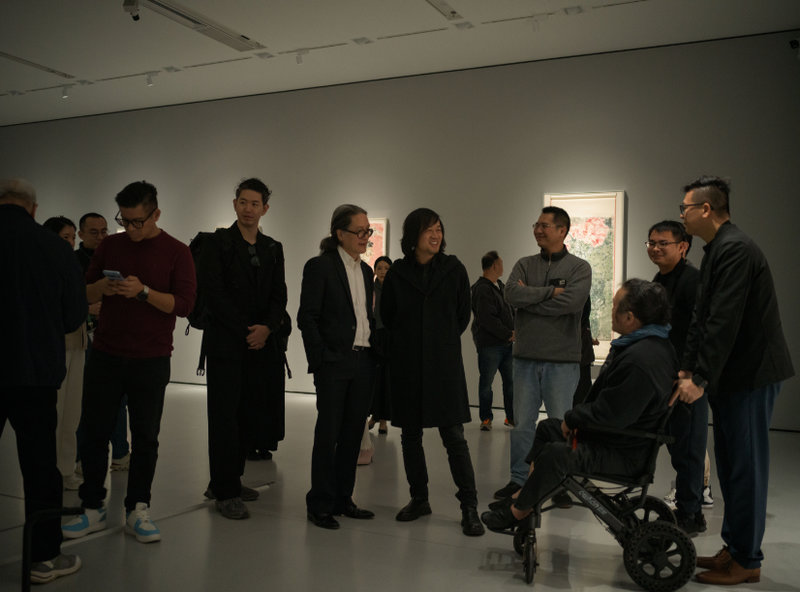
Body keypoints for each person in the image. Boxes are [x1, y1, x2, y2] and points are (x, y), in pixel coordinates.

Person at [673, 176, 794, 585]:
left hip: (750, 376)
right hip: (733, 377)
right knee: (730, 466)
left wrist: (701, 376)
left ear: (706, 209)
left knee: (746, 468)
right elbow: (702, 317)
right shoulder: (717, 249)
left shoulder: (736, 249)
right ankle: (736, 547)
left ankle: (748, 560)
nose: (682, 214)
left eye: (685, 208)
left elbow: (724, 320)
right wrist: (689, 368)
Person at [481, 279, 675, 530]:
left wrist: (573, 420)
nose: (611, 311)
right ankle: (524, 495)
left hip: (623, 453)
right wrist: (572, 421)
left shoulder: (640, 360)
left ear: (630, 317)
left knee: (556, 454)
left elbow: (611, 414)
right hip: (621, 439)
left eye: (615, 306)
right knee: (548, 428)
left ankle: (519, 512)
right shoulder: (648, 346)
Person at [62, 180, 196, 544]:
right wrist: (103, 289)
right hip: (106, 353)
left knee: (146, 436)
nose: (131, 229)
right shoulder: (110, 245)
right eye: (125, 220)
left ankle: (138, 508)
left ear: (156, 214)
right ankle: (92, 506)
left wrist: (144, 292)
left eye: (138, 221)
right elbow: (85, 290)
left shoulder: (177, 251)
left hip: (151, 358)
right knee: (94, 432)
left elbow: (184, 305)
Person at [1, 179, 86, 583]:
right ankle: (44, 557)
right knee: (40, 466)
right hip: (34, 372)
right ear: (34, 209)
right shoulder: (55, 247)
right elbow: (73, 316)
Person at [381, 208, 484, 537]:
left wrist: (439, 341)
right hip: (408, 364)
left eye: (439, 229)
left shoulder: (453, 269)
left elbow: (462, 316)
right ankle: (419, 498)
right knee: (410, 436)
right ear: (413, 236)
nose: (436, 235)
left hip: (443, 364)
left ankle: (469, 506)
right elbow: (388, 315)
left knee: (454, 436)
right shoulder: (398, 273)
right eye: (429, 230)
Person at [198, 178, 288, 519]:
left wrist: (267, 328)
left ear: (265, 208)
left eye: (255, 204)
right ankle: (224, 490)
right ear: (234, 204)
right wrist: (247, 330)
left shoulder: (272, 248)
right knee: (224, 417)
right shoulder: (218, 243)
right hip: (226, 344)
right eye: (243, 202)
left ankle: (230, 480)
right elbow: (214, 294)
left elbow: (279, 295)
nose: (248, 209)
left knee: (247, 414)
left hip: (259, 345)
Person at [495, 206, 591, 501]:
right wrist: (550, 292)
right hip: (525, 358)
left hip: (562, 361)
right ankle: (519, 480)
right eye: (536, 225)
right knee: (522, 425)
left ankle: (560, 483)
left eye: (544, 225)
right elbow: (511, 294)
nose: (538, 230)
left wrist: (530, 299)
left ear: (562, 230)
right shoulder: (524, 264)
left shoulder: (579, 268)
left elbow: (572, 304)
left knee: (561, 425)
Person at [297, 204, 377, 530]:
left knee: (353, 434)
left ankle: (344, 498)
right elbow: (307, 317)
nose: (365, 237)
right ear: (340, 233)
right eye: (360, 231)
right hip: (333, 363)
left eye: (368, 231)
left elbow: (366, 317)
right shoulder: (321, 267)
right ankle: (319, 503)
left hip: (363, 361)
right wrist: (320, 359)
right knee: (328, 434)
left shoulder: (367, 272)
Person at [645, 220, 710, 536]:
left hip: (686, 381)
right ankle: (689, 509)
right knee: (677, 448)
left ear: (683, 247)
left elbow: (701, 332)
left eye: (663, 243)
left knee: (689, 451)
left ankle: (691, 513)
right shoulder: (660, 279)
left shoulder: (693, 281)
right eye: (651, 242)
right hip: (666, 377)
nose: (655, 248)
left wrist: (692, 375)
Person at [42, 217, 87, 491]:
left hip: (78, 343)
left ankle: (66, 469)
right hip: (56, 345)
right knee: (56, 412)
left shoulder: (72, 264)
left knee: (72, 412)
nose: (70, 243)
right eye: (65, 237)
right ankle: (51, 471)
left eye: (72, 237)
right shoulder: (42, 266)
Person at [470, 250, 515, 430]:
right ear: (494, 266)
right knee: (486, 384)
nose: (503, 267)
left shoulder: (500, 286)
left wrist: (513, 331)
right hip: (490, 345)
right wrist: (508, 333)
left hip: (507, 344)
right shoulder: (481, 289)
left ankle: (511, 417)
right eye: (501, 263)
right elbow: (487, 318)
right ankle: (486, 419)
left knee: (510, 383)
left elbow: (510, 311)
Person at [367, 255, 392, 435]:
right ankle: (373, 416)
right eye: (379, 268)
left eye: (386, 268)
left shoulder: (394, 290)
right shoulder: (369, 289)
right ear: (375, 270)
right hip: (372, 336)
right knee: (372, 378)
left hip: (389, 337)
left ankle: (383, 419)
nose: (383, 271)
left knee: (386, 379)